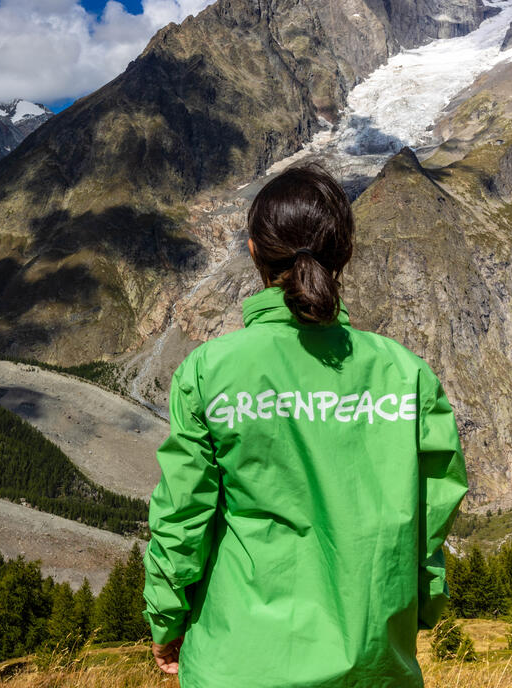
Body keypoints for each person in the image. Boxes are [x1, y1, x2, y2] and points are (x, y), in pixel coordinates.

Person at [143, 163, 467, 687]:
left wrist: (166, 617)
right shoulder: (405, 374)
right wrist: (416, 609)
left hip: (239, 661)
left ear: (254, 251)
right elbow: (430, 516)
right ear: (345, 252)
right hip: (374, 661)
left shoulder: (210, 371)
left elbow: (182, 516)